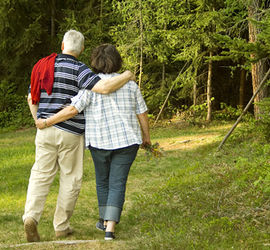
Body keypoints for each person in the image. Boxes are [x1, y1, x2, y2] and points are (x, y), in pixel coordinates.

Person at [24, 31, 135, 242]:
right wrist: (127, 75)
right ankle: (61, 226)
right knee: (70, 179)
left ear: (62, 44)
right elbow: (103, 88)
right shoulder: (80, 69)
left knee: (40, 175)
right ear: (82, 49)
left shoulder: (42, 66)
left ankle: (31, 217)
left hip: (45, 131)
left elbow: (32, 96)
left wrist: (39, 121)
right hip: (71, 133)